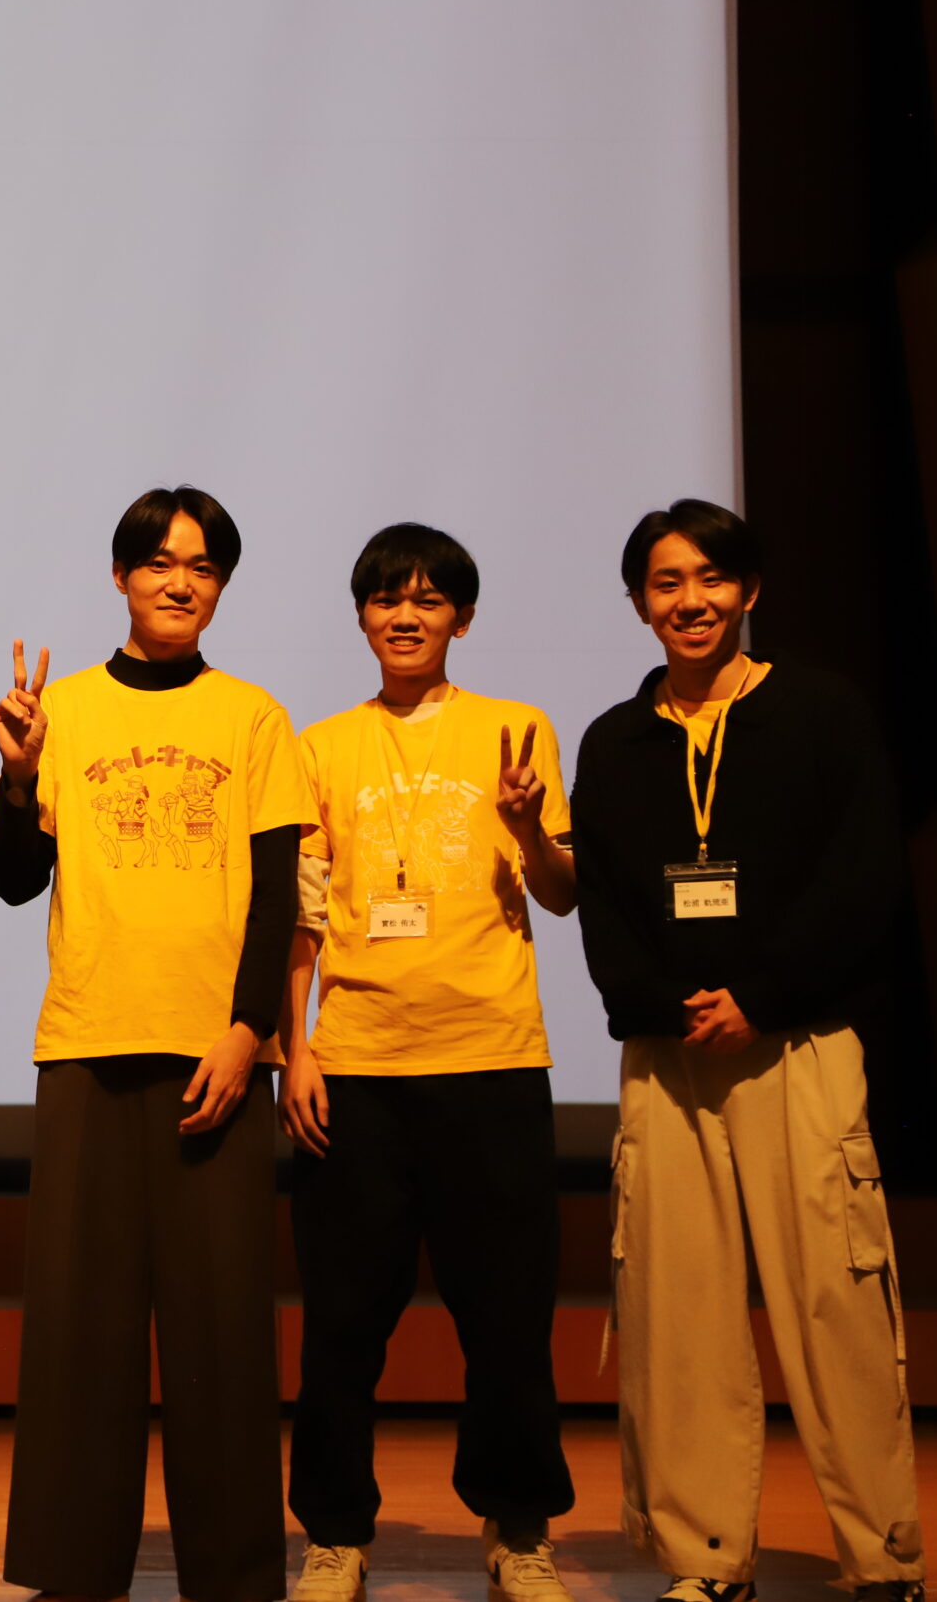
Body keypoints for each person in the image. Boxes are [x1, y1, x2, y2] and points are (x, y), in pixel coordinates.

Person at [571, 499, 924, 1602]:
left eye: (711, 578)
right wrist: (664, 1004)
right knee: (678, 1314)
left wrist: (761, 997)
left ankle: (883, 1558)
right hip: (669, 1056)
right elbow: (604, 905)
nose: (691, 601)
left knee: (835, 1306)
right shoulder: (614, 740)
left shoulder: (821, 712)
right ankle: (705, 1557)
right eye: (666, 582)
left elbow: (864, 877)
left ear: (749, 590)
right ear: (639, 602)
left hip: (797, 1044)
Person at [0, 486, 305, 1602]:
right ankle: (74, 1574)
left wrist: (248, 1033)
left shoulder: (252, 717)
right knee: (82, 1337)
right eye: (160, 562)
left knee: (224, 1338)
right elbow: (13, 879)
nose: (180, 581)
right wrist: (18, 774)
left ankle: (236, 1579)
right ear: (121, 576)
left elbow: (275, 897)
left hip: (215, 1056)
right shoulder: (62, 709)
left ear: (221, 585)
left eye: (203, 566)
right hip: (87, 1046)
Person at [277, 524, 578, 1602]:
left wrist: (529, 830)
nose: (406, 615)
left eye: (429, 599)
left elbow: (561, 892)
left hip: (491, 1061)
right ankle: (333, 1534)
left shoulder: (516, 729)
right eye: (387, 598)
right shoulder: (320, 747)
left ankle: (517, 1526)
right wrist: (295, 1049)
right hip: (356, 1069)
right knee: (342, 1322)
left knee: (507, 1318)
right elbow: (301, 918)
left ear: (463, 616)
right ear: (362, 616)